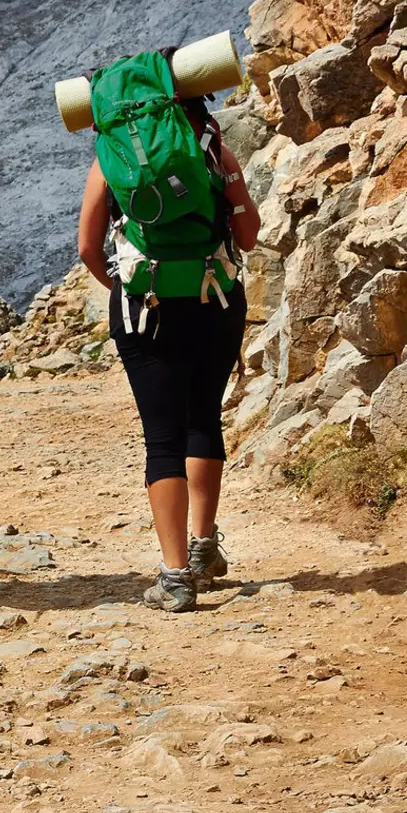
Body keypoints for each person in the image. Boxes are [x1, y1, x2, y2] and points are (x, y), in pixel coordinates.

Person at [77, 83, 260, 613]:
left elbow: (89, 247)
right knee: (204, 416)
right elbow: (247, 236)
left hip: (143, 309)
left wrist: (124, 290)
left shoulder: (110, 159)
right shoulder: (214, 150)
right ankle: (204, 548)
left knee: (162, 437)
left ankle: (175, 576)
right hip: (217, 301)